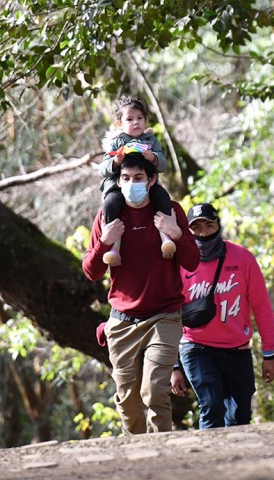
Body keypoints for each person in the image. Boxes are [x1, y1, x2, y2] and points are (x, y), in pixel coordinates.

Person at [82, 153, 200, 435]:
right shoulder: (108, 217)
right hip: (123, 321)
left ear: (152, 180)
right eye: (126, 179)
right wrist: (105, 243)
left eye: (138, 178)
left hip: (164, 316)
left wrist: (177, 234)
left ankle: (162, 454)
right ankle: (134, 456)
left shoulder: (170, 211)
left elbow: (193, 262)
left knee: (155, 391)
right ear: (118, 182)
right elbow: (91, 271)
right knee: (128, 401)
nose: (132, 184)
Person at [170, 203, 274, 429]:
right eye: (196, 228)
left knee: (240, 414)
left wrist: (269, 354)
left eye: (209, 226)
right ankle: (210, 461)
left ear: (218, 226)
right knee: (211, 405)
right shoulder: (177, 263)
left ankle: (240, 461)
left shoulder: (243, 258)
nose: (203, 233)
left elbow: (262, 307)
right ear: (187, 231)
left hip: (237, 348)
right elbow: (169, 316)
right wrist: (174, 367)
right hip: (196, 346)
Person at [98, 97, 175, 266]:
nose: (136, 123)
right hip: (119, 188)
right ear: (119, 123)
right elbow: (102, 169)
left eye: (140, 118)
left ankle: (166, 238)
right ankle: (114, 247)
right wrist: (115, 161)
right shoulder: (116, 141)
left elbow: (163, 164)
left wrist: (154, 157)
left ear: (146, 120)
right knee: (110, 204)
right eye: (130, 119)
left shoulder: (151, 141)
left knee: (162, 198)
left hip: (147, 185)